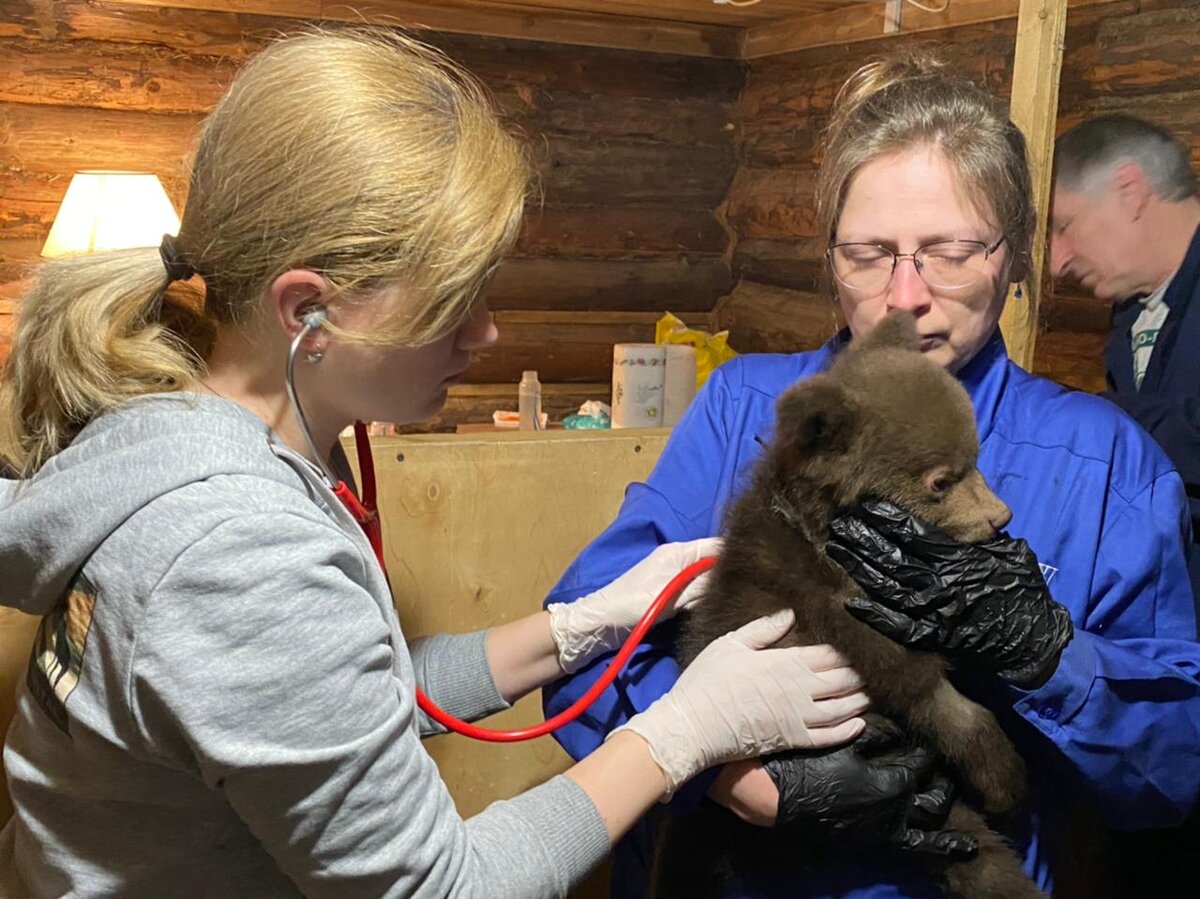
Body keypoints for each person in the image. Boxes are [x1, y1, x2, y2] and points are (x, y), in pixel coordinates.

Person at [0, 29, 882, 898]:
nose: (486, 331)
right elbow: (444, 887)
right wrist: (685, 730)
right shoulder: (238, 552)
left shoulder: (181, 431)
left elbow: (341, 707)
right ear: (309, 310)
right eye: (456, 301)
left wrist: (581, 626)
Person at [544, 52, 1200, 898]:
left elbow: (1175, 766)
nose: (902, 296)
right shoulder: (746, 408)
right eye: (868, 253)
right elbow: (587, 650)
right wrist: (731, 769)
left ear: (1013, 255)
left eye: (949, 252)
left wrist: (1051, 658)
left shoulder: (1103, 463)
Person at [1051, 114, 1200, 607]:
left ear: (1130, 189)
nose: (1057, 261)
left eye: (1064, 226)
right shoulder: (1132, 314)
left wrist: (1091, 419)